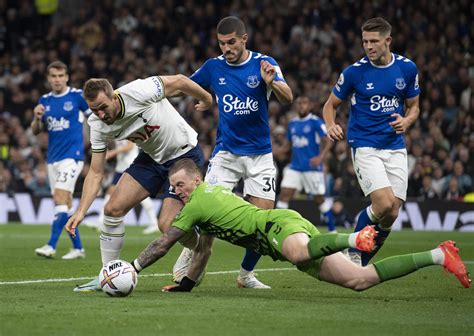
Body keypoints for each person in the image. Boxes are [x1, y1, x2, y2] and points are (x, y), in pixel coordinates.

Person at [129, 159, 471, 292]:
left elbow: (164, 243)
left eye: (180, 186)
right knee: (359, 280)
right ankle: (440, 256)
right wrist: (188, 284)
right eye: (173, 189)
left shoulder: (197, 202)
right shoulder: (203, 201)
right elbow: (202, 249)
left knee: (297, 252)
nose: (176, 192)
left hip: (274, 226)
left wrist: (131, 268)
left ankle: (357, 237)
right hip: (277, 234)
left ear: (197, 180)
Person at [65, 74, 213, 291]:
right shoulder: (97, 124)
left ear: (114, 96)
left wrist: (207, 98)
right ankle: (107, 275)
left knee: (166, 225)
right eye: (94, 109)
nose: (101, 114)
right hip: (151, 158)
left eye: (103, 107)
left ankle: (197, 248)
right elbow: (96, 172)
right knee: (113, 209)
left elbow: (180, 81)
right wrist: (81, 211)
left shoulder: (139, 91)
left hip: (184, 155)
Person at [178, 15, 293, 289]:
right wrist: (205, 98)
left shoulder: (264, 63)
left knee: (262, 223)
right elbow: (185, 85)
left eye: (231, 43)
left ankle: (245, 275)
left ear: (244, 39)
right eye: (221, 44)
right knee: (207, 213)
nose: (226, 49)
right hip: (226, 155)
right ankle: (193, 257)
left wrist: (271, 82)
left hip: (260, 156)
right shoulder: (213, 67)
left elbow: (288, 97)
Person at [322, 17, 420, 266]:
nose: (368, 46)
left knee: (392, 212)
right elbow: (330, 105)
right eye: (365, 41)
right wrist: (331, 124)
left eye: (374, 41)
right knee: (384, 203)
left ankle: (361, 262)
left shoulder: (407, 69)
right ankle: (354, 248)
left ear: (388, 40)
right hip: (365, 144)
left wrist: (407, 122)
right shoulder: (354, 72)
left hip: (395, 146)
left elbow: (415, 107)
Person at [32, 61, 90, 260]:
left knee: (59, 197)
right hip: (52, 159)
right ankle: (78, 248)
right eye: (53, 76)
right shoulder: (44, 101)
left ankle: (51, 245)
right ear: (48, 79)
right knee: (64, 204)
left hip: (72, 157)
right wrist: (36, 118)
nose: (57, 80)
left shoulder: (77, 96)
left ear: (66, 77)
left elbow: (95, 117)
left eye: (60, 76)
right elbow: (36, 130)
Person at [276, 95, 336, 233]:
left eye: (304, 103)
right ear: (296, 106)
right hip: (295, 167)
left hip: (312, 168)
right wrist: (277, 151)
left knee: (319, 199)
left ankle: (332, 230)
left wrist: (320, 157)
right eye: (299, 103)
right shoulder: (292, 124)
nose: (302, 106)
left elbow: (328, 140)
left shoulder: (315, 122)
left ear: (309, 106)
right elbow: (289, 144)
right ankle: (278, 228)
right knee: (284, 194)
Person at [84, 140, 160, 235]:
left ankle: (154, 223)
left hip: (131, 165)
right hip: (120, 167)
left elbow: (130, 146)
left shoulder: (127, 130)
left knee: (140, 196)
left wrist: (113, 153)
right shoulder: (117, 132)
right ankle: (100, 221)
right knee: (110, 192)